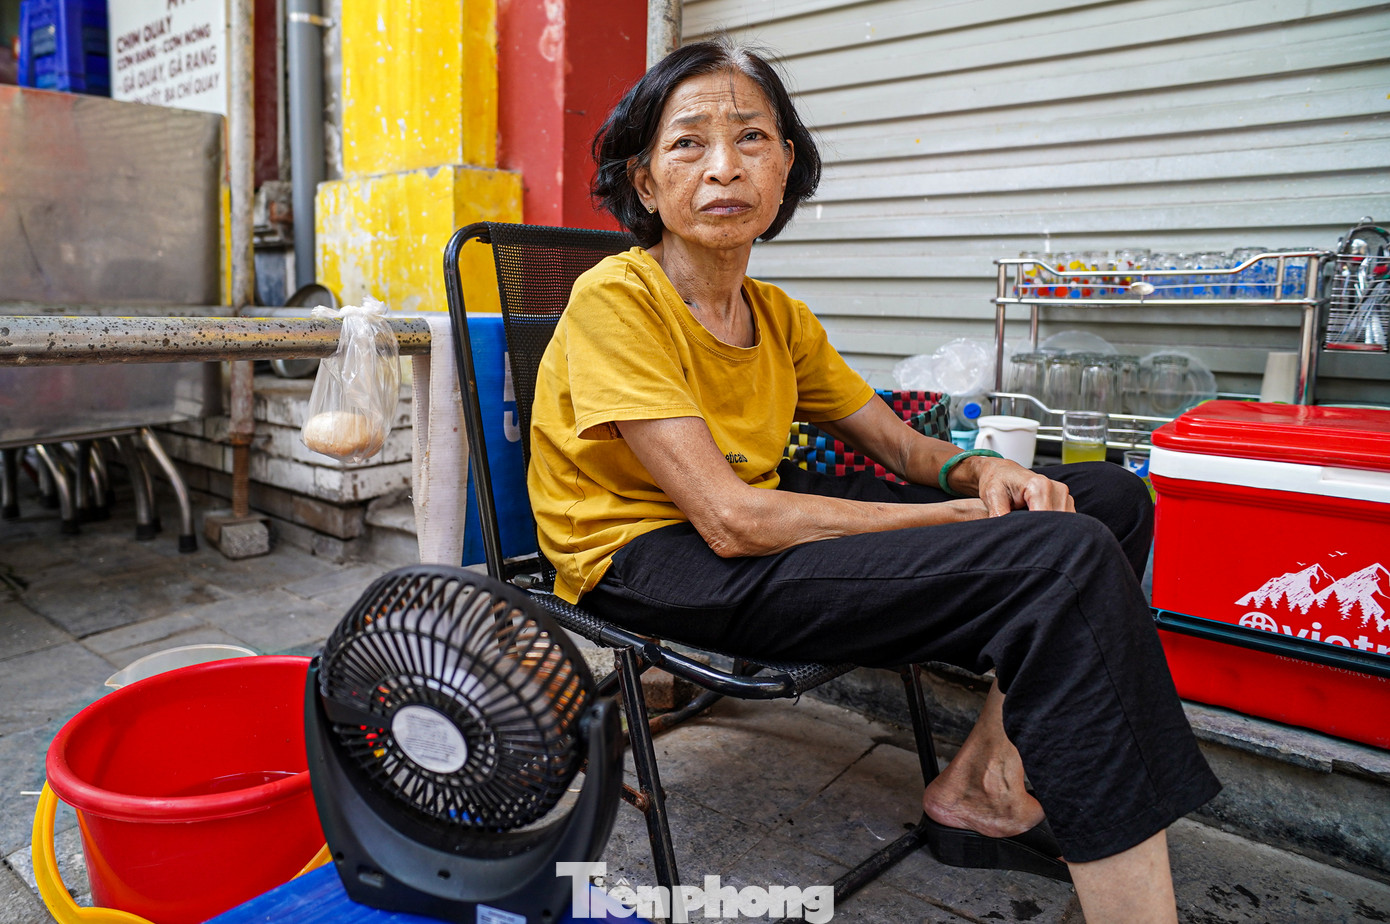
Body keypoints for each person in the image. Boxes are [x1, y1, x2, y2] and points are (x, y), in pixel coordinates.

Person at [527, 37, 1220, 923]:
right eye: (689, 142)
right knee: (1056, 558)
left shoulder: (777, 316)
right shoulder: (616, 299)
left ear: (786, 172)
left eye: (753, 138)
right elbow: (731, 519)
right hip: (651, 558)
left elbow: (900, 449)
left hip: (750, 535)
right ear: (647, 182)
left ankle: (983, 786)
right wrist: (963, 525)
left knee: (1104, 499)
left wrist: (983, 468)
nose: (725, 166)